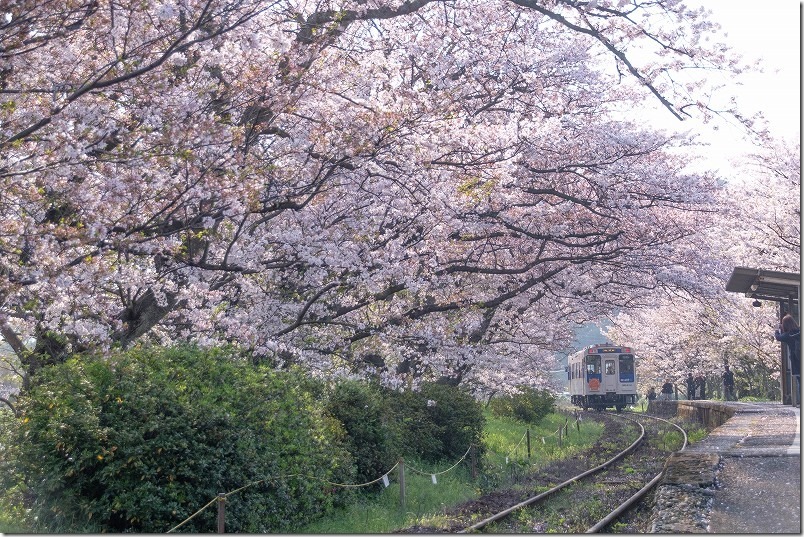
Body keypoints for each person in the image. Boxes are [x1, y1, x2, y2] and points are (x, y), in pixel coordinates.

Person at [774, 314, 801, 404]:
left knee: (800, 381)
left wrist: (777, 330)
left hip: (797, 361)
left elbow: (778, 337)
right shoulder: (799, 331)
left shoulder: (788, 335)